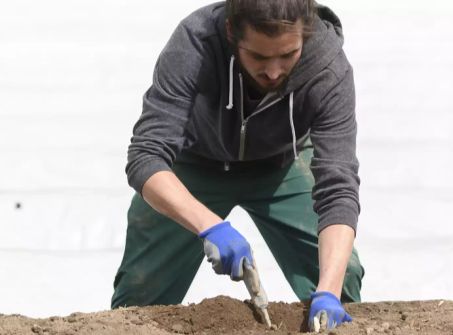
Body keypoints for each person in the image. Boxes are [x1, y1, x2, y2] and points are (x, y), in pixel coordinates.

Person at [110, 0, 363, 331]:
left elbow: (339, 187)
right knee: (138, 298)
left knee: (342, 283)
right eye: (258, 56)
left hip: (283, 166)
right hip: (196, 163)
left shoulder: (328, 67)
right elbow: (146, 155)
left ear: (306, 33)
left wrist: (328, 292)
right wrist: (209, 226)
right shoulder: (195, 41)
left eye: (287, 56)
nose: (273, 71)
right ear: (231, 33)